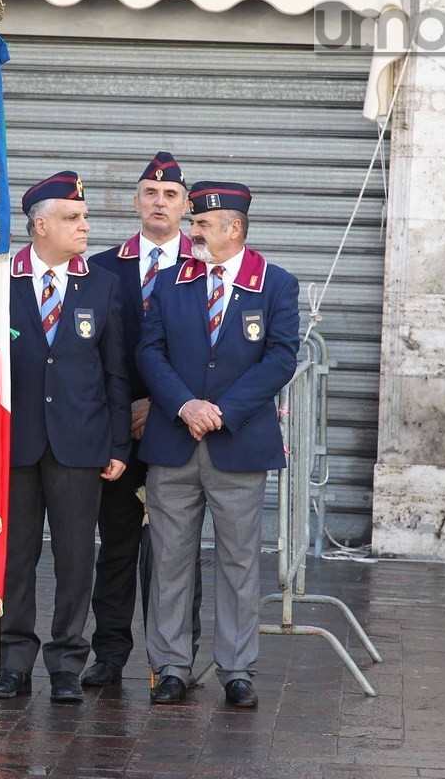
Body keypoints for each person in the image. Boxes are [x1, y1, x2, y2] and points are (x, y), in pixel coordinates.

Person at [138, 181, 299, 707]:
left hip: (238, 444)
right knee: (169, 560)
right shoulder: (169, 282)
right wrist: (186, 405)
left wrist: (222, 411)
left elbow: (280, 359)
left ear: (234, 228)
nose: (192, 231)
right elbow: (150, 352)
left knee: (237, 560)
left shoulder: (275, 284)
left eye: (202, 225)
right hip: (174, 440)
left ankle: (236, 668)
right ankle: (170, 666)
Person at [0, 171, 129, 704]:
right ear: (39, 225)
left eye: (84, 217)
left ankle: (67, 662)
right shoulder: (0, 279)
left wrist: (117, 446)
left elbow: (115, 372)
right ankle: (12, 661)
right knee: (14, 557)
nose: (84, 226)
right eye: (73, 218)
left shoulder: (101, 284)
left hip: (79, 444)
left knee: (75, 559)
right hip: (14, 444)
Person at [83, 151, 203, 688]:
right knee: (116, 545)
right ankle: (109, 653)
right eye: (150, 194)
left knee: (176, 551)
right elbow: (90, 354)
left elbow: (212, 352)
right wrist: (122, 411)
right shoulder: (102, 266)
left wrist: (162, 404)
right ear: (136, 202)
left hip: (179, 426)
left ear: (186, 207)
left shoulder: (205, 267)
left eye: (171, 195)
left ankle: (173, 659)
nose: (160, 203)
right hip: (117, 431)